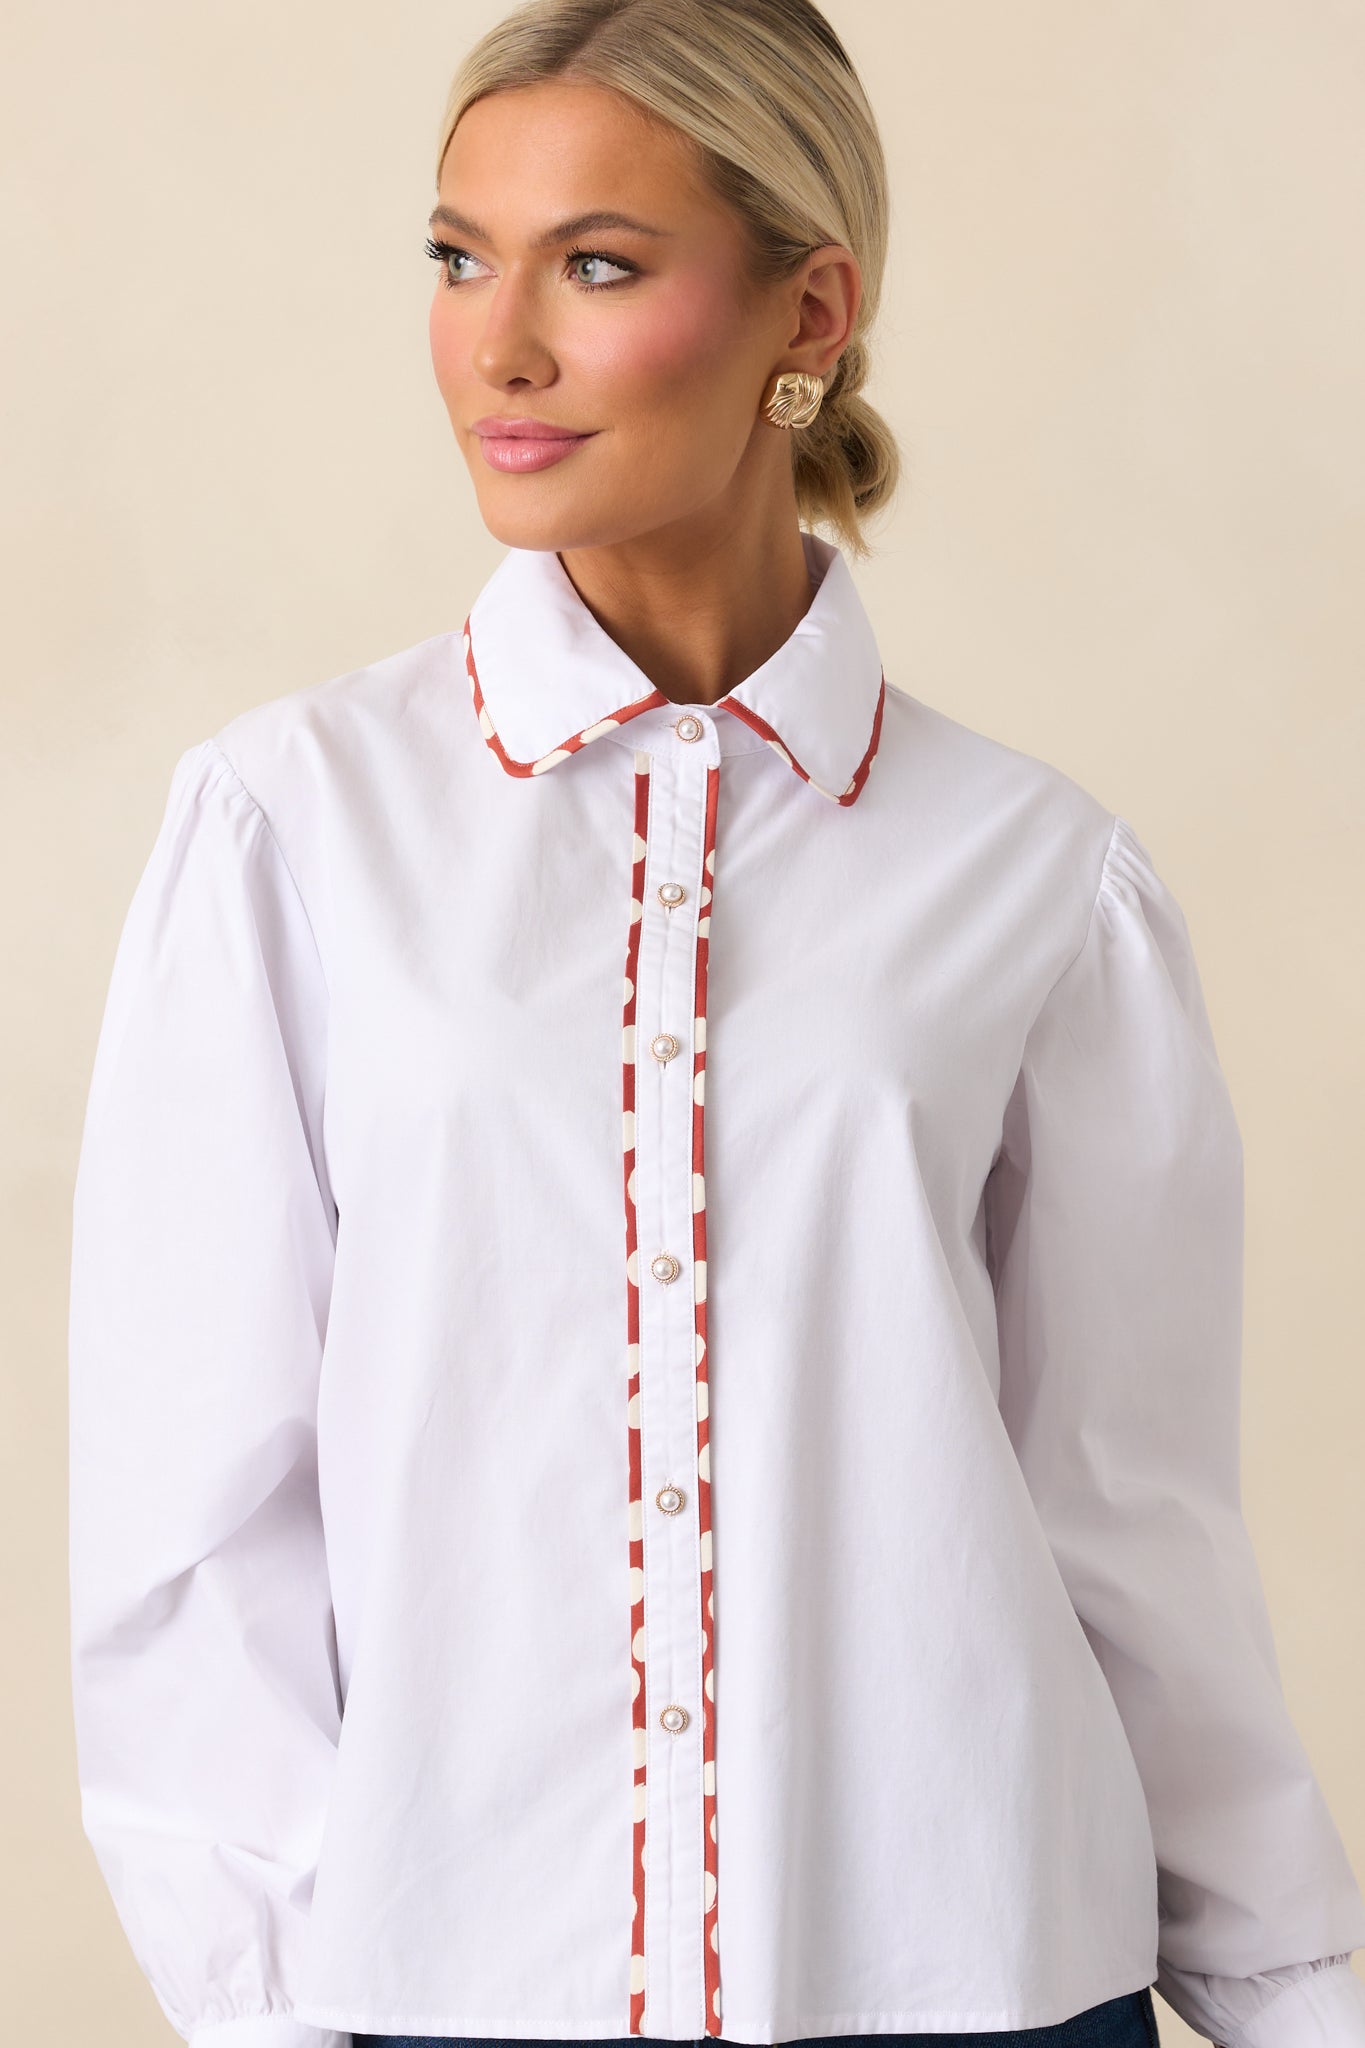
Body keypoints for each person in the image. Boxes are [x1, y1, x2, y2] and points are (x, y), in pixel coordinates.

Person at [67, 4, 1365, 2048]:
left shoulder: (1039, 876)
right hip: (462, 1995)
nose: (496, 346)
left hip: (983, 1981)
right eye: (456, 256)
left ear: (807, 312)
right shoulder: (291, 830)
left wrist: (1292, 1991)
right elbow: (194, 1532)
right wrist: (270, 2000)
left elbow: (1128, 1523)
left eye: (594, 265)